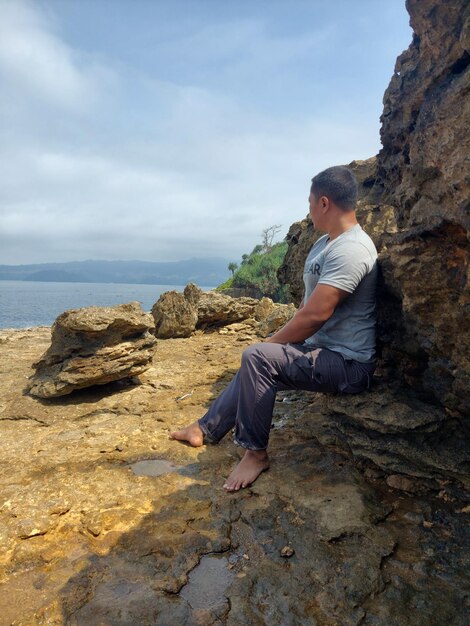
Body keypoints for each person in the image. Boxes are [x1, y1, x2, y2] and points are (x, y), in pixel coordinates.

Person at [171, 165, 377, 492]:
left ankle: (255, 454)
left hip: (348, 363)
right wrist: (273, 346)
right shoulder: (324, 244)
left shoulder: (353, 249)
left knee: (258, 356)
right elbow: (306, 307)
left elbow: (316, 314)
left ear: (324, 203)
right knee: (258, 357)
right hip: (318, 350)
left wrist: (270, 344)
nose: (308, 210)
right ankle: (204, 428)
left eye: (310, 203)